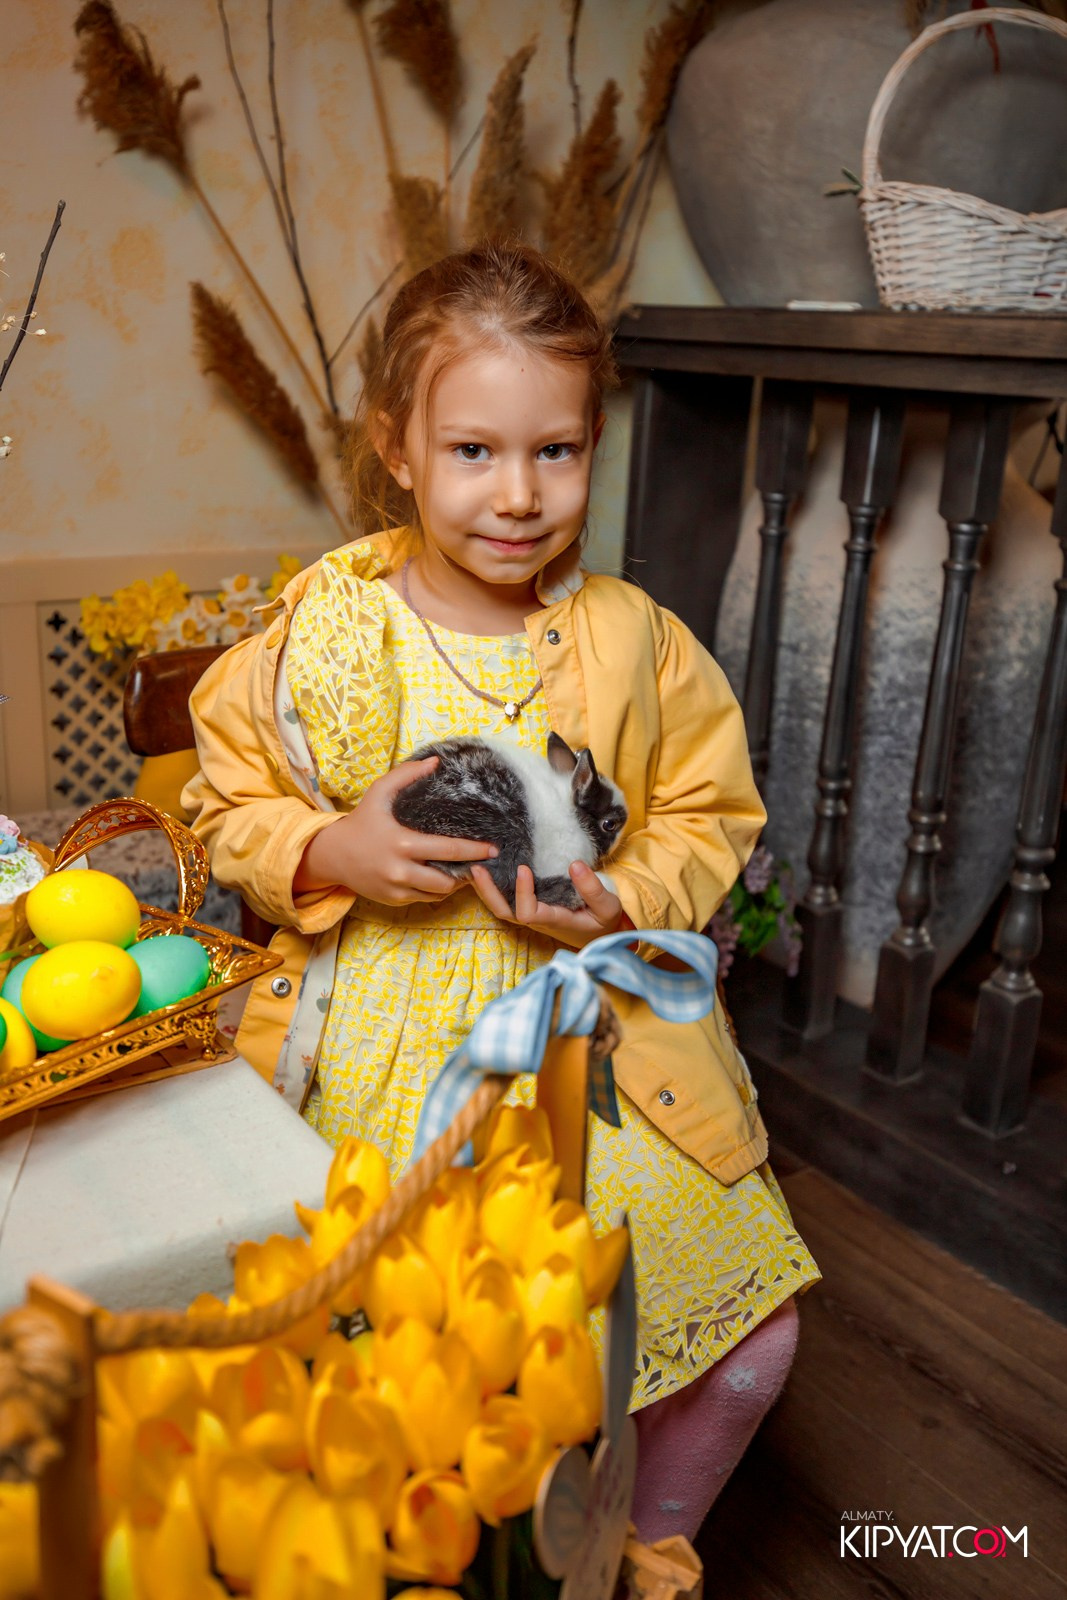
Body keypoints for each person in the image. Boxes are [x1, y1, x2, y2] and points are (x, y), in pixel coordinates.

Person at [184, 240, 819, 1544]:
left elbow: (712, 813)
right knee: (433, 1373)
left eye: (558, 451)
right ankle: (451, 1561)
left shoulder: (639, 641)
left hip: (596, 1044)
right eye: (474, 451)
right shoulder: (326, 632)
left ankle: (632, 1555)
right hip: (380, 1051)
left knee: (751, 1340)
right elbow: (224, 807)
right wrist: (324, 851)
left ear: (595, 445)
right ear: (398, 447)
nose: (520, 494)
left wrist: (628, 890)